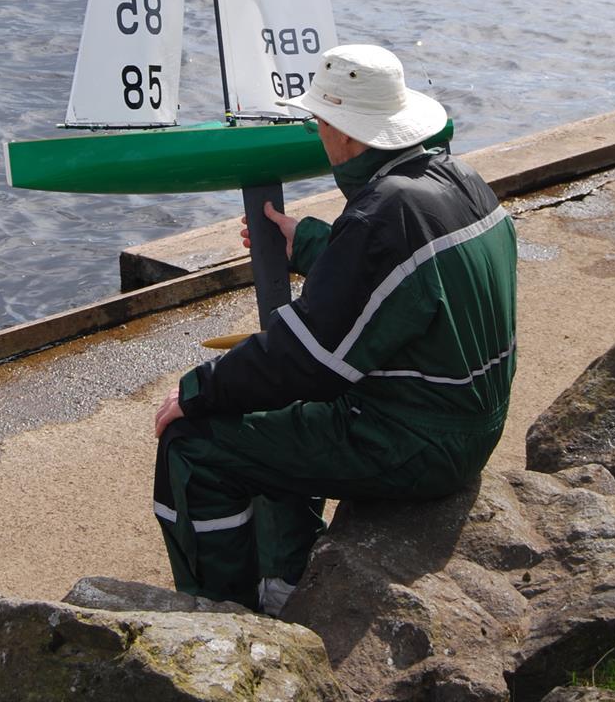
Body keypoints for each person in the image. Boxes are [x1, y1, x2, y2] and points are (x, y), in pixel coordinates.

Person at [154, 44, 517, 614]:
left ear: (347, 135)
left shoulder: (381, 216)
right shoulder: (456, 178)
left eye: (319, 121)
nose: (317, 133)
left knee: (194, 443)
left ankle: (228, 613)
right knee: (278, 420)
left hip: (419, 442)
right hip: (470, 422)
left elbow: (304, 362)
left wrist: (198, 390)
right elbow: (402, 285)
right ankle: (288, 577)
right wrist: (316, 243)